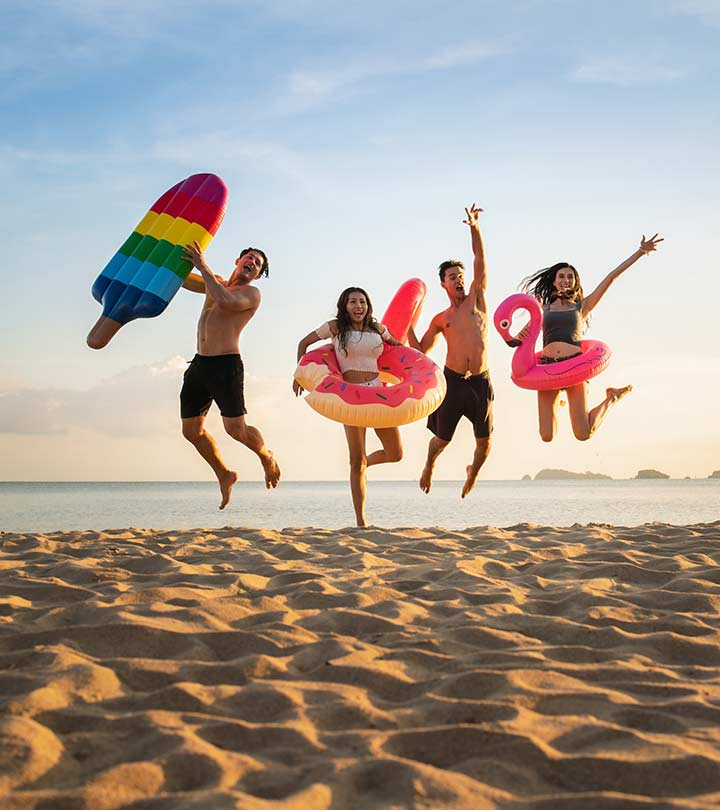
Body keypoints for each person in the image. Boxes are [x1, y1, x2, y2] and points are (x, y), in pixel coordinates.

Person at [519, 233, 663, 442]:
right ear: (554, 281)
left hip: (575, 368)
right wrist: (515, 336)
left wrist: (640, 252)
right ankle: (559, 397)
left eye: (570, 277)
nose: (565, 280)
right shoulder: (542, 308)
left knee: (583, 433)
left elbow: (612, 276)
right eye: (561, 276)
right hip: (548, 367)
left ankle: (612, 398)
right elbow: (524, 337)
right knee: (546, 435)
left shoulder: (583, 306)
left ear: (575, 282)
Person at [179, 240, 281, 509]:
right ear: (238, 260)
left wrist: (202, 265)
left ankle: (265, 454)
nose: (252, 263)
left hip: (226, 366)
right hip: (199, 365)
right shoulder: (215, 282)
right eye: (249, 257)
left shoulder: (251, 294)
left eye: (257, 264)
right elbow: (180, 279)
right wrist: (172, 261)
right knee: (191, 432)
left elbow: (225, 299)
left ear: (257, 275)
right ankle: (224, 474)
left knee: (236, 430)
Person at [293, 287, 404, 527]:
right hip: (350, 398)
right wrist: (299, 373)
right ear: (344, 306)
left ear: (368, 305)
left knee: (396, 453)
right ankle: (361, 520)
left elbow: (399, 348)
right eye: (353, 302)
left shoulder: (377, 329)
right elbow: (304, 343)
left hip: (378, 393)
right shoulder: (335, 327)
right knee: (356, 462)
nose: (358, 306)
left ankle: (365, 462)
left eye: (362, 302)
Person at [408, 204, 492, 498]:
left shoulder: (477, 300)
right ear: (443, 283)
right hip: (453, 381)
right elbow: (419, 350)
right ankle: (429, 465)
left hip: (480, 381)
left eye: (461, 275)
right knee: (441, 440)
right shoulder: (441, 319)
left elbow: (479, 258)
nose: (459, 279)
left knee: (484, 445)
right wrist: (407, 324)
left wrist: (475, 227)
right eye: (452, 276)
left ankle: (473, 472)